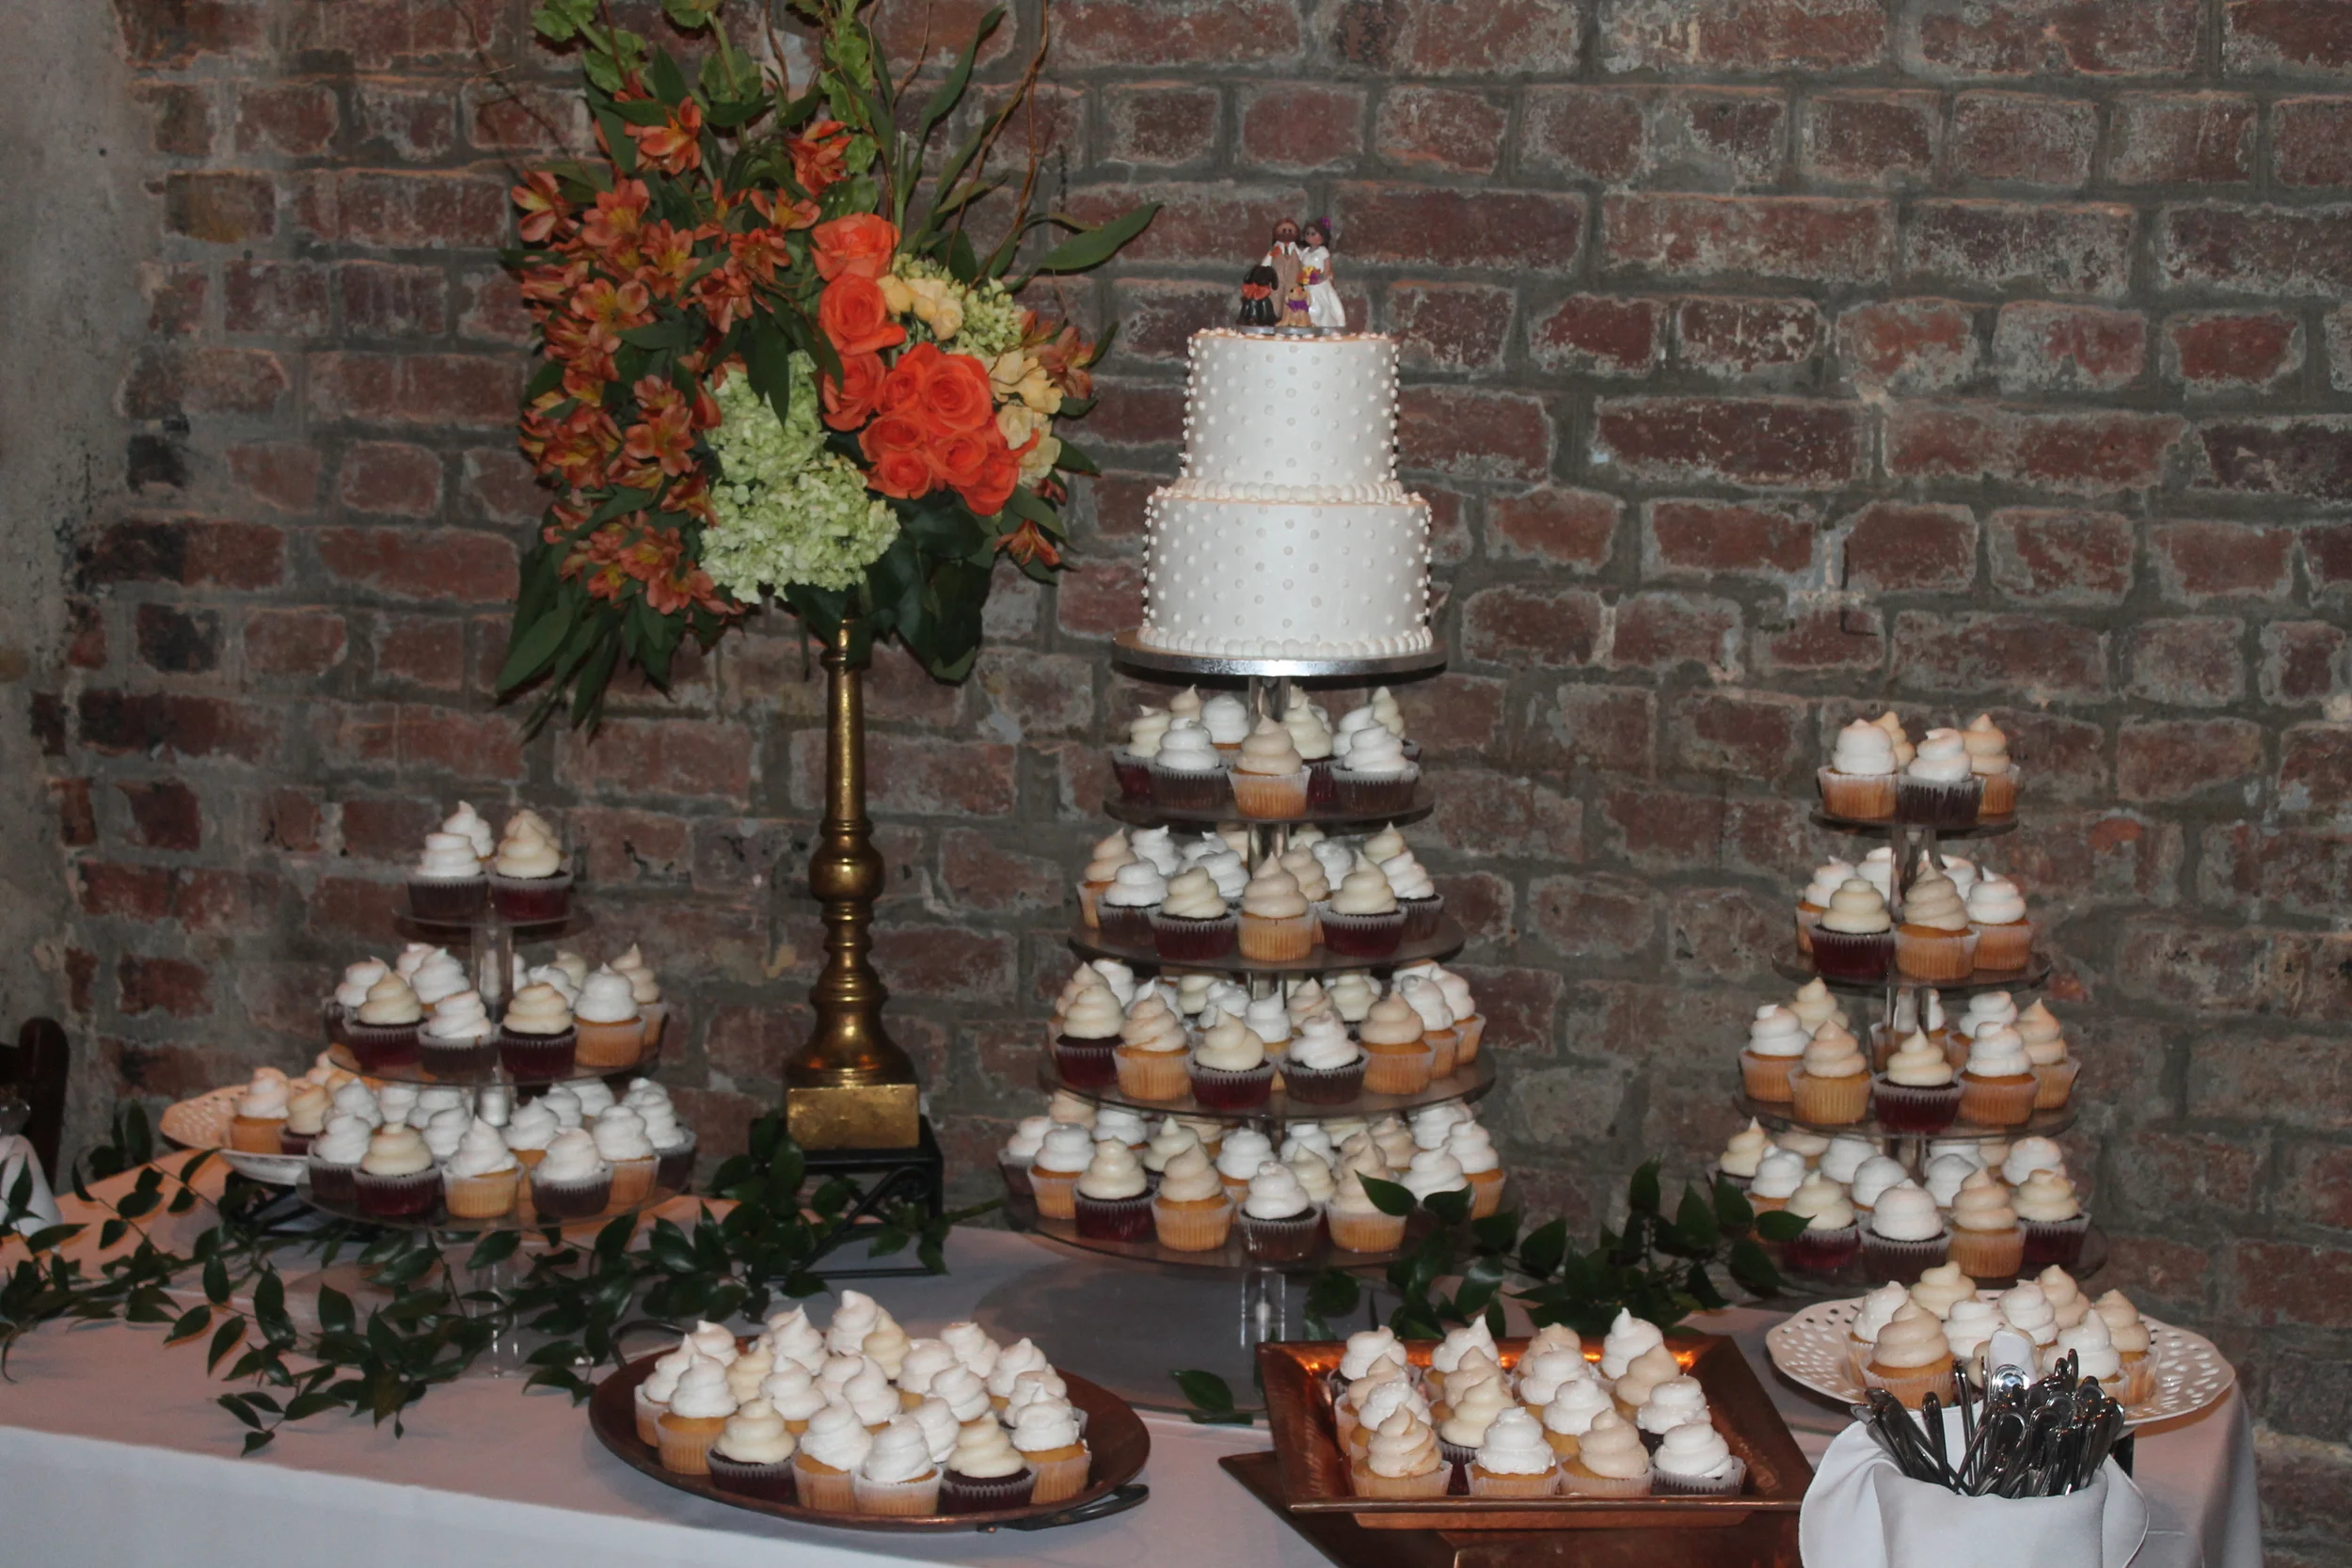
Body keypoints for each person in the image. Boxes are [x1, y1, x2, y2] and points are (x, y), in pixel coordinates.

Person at [1297, 219, 1343, 331]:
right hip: (1308, 284)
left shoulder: (1323, 251)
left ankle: (1324, 324)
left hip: (1320, 283)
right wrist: (1303, 277)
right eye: (1307, 233)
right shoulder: (1305, 251)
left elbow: (1327, 266)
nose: (1309, 236)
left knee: (1323, 304)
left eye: (1313, 234)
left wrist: (1322, 277)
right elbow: (1301, 265)